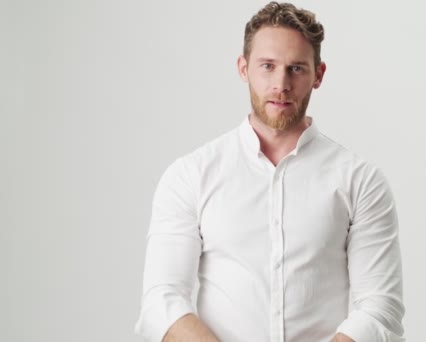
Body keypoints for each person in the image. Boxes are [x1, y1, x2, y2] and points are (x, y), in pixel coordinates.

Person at [135, 2, 405, 341]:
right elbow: (162, 301)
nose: (281, 84)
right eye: (268, 66)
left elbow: (381, 309)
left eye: (296, 69)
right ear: (243, 68)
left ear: (318, 74)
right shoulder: (191, 175)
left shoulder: (361, 181)